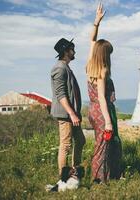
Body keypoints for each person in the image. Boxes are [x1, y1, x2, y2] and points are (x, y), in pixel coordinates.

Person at [86, 2, 122, 184]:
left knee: (104, 144)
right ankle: (100, 180)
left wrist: (97, 22)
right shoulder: (102, 70)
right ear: (106, 54)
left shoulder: (90, 64)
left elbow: (92, 41)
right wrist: (108, 121)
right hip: (101, 111)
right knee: (104, 146)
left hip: (92, 110)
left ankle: (111, 175)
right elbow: (101, 97)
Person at [48, 38, 86, 191]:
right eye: (72, 49)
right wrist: (72, 113)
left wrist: (75, 113)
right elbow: (60, 94)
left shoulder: (65, 67)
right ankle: (63, 180)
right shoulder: (59, 68)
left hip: (72, 114)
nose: (74, 51)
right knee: (66, 145)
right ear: (65, 51)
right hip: (66, 115)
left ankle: (74, 173)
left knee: (81, 141)